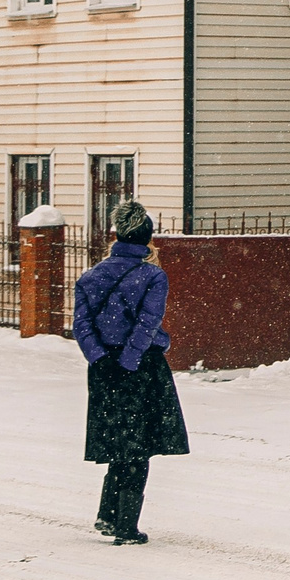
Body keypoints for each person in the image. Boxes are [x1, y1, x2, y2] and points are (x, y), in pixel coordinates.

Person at [73, 199, 189, 544]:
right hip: (142, 367)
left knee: (118, 443)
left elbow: (81, 325)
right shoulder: (153, 275)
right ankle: (126, 525)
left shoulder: (90, 276)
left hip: (102, 368)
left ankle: (107, 515)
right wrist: (129, 361)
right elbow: (147, 323)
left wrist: (99, 358)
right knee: (138, 449)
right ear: (147, 237)